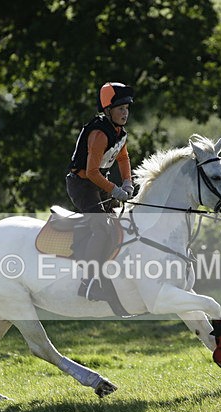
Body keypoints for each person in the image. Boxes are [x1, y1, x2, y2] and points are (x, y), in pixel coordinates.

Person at [66, 82, 135, 302]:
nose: (125, 113)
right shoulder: (99, 134)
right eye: (120, 109)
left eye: (127, 108)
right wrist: (115, 189)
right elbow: (92, 172)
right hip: (81, 184)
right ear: (108, 110)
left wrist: (127, 183)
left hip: (97, 182)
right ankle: (87, 283)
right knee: (102, 228)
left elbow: (123, 158)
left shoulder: (119, 133)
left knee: (122, 222)